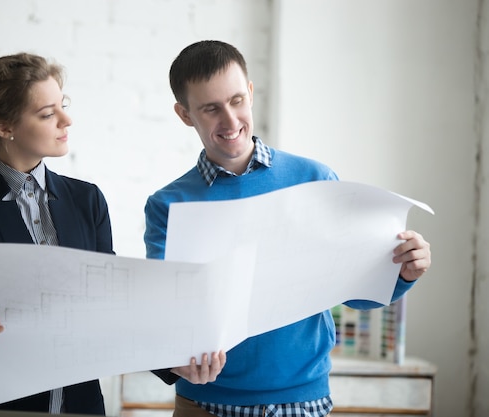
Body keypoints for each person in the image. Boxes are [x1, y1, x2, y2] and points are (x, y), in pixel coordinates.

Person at [144, 40, 432, 417]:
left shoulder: (315, 180)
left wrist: (404, 272)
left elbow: (357, 293)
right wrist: (176, 358)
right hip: (206, 403)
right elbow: (167, 315)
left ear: (250, 92)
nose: (230, 121)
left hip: (303, 401)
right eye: (211, 109)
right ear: (185, 114)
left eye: (236, 100)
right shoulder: (169, 205)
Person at [0, 53, 113, 416]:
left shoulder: (88, 199)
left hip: (80, 403)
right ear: (4, 126)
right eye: (47, 114)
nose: (66, 120)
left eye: (63, 106)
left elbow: (111, 304)